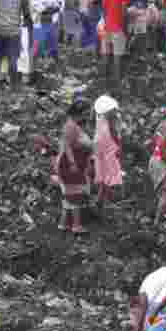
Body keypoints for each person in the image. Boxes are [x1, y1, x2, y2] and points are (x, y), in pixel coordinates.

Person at [54, 100, 93, 235]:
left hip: (73, 164)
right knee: (76, 194)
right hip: (70, 165)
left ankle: (63, 224)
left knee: (70, 195)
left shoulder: (74, 125)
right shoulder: (70, 126)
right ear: (79, 113)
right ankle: (76, 226)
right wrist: (72, 164)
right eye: (86, 113)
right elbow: (67, 146)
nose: (87, 116)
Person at [30, 0, 64, 78]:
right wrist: (50, 9)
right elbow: (43, 11)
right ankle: (33, 73)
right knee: (36, 51)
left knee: (54, 50)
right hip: (39, 27)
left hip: (50, 25)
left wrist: (50, 9)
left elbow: (58, 6)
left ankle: (58, 71)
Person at [93, 95, 123, 209]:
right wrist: (118, 148)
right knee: (109, 174)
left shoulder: (100, 118)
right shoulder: (110, 120)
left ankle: (102, 200)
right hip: (108, 147)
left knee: (104, 174)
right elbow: (115, 135)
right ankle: (102, 200)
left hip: (100, 146)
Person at [100, 0, 130, 87]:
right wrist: (125, 28)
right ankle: (117, 81)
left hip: (107, 27)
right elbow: (123, 13)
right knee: (117, 56)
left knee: (105, 54)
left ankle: (103, 79)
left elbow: (104, 8)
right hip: (118, 29)